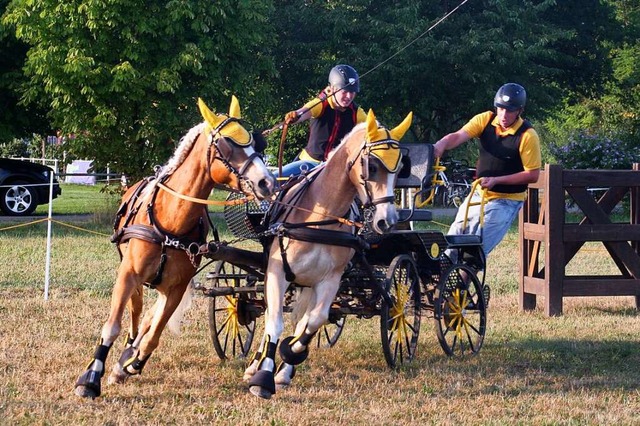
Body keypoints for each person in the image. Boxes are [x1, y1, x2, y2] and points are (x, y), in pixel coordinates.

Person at [433, 83, 542, 260]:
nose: (504, 115)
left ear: (519, 111)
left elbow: (532, 175)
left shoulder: (528, 136)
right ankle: (442, 282)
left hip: (507, 201)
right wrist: (442, 144)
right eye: (500, 109)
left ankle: (464, 283)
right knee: (452, 241)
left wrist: (497, 180)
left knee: (475, 253)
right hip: (478, 194)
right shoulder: (485, 119)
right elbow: (459, 135)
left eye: (510, 110)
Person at [278, 64, 367, 177]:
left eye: (352, 92)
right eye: (344, 91)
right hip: (308, 164)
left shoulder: (357, 113)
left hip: (336, 169)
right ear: (333, 88)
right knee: (274, 180)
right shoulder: (321, 104)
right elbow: (305, 111)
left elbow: (374, 129)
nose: (349, 96)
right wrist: (295, 116)